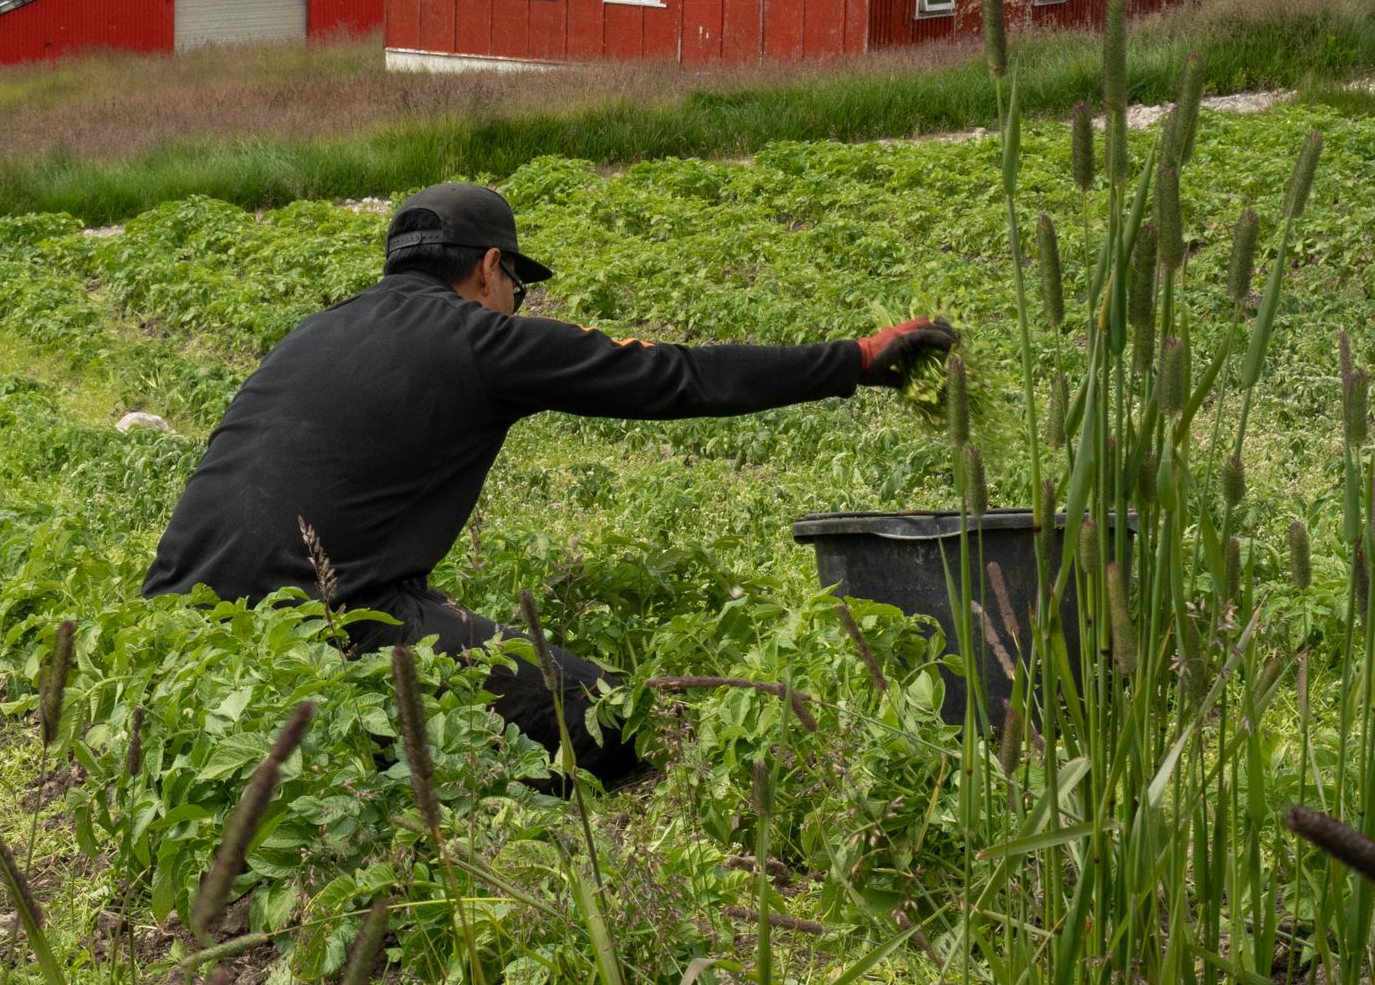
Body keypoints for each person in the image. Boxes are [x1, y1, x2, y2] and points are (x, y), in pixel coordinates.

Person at [142, 181, 955, 784]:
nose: (516, 302)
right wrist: (855, 360)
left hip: (177, 648)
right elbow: (676, 377)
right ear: (491, 268)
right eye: (517, 286)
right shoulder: (475, 338)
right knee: (619, 721)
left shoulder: (309, 334)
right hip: (332, 633)